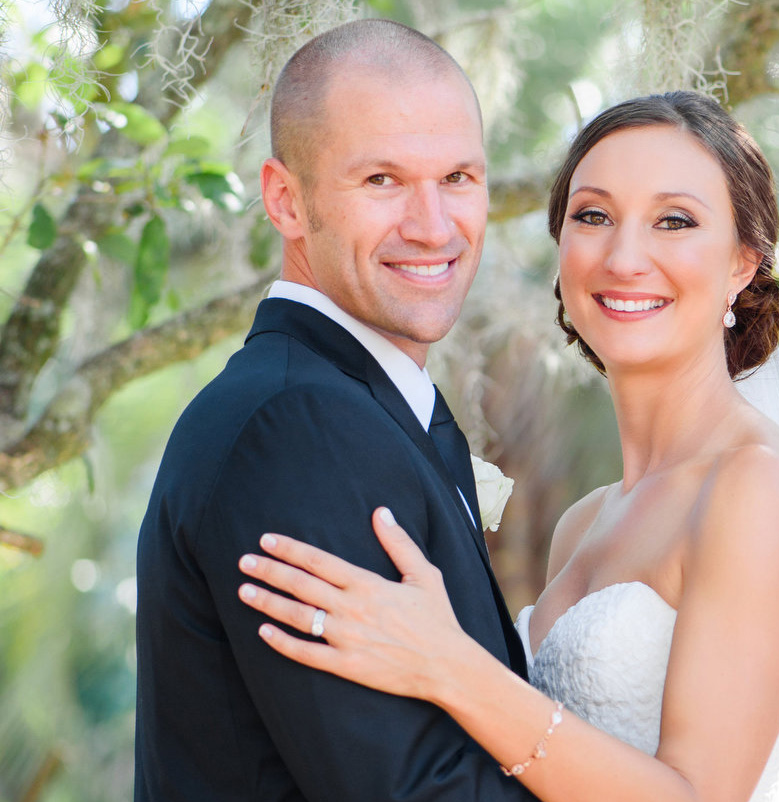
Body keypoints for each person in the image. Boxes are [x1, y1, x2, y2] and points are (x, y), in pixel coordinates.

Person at [236, 92, 779, 800]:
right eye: (593, 216)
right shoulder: (583, 525)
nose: (625, 257)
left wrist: (449, 667)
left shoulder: (757, 488)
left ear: (743, 263)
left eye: (675, 221)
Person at [134, 19, 538, 802]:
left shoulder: (343, 403)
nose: (432, 225)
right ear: (285, 199)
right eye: (381, 180)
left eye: (458, 177)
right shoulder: (299, 430)